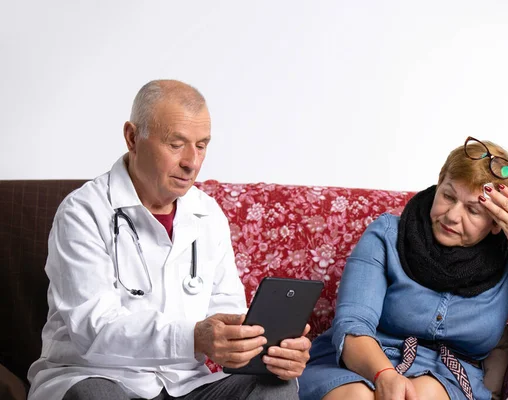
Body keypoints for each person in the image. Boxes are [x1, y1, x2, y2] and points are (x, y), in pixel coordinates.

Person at [27, 79, 311, 400]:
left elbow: (226, 308)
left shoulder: (208, 213)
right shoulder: (83, 212)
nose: (192, 162)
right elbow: (93, 330)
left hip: (185, 385)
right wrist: (194, 338)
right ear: (132, 138)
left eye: (201, 145)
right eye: (176, 145)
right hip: (99, 376)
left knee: (276, 387)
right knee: (96, 395)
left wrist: (261, 347)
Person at [298, 137, 508, 400]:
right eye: (448, 196)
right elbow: (353, 326)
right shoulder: (387, 235)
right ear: (439, 182)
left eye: (473, 210)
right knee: (356, 396)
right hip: (360, 363)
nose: (453, 216)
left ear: (496, 222)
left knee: (424, 394)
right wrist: (384, 376)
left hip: (447, 377)